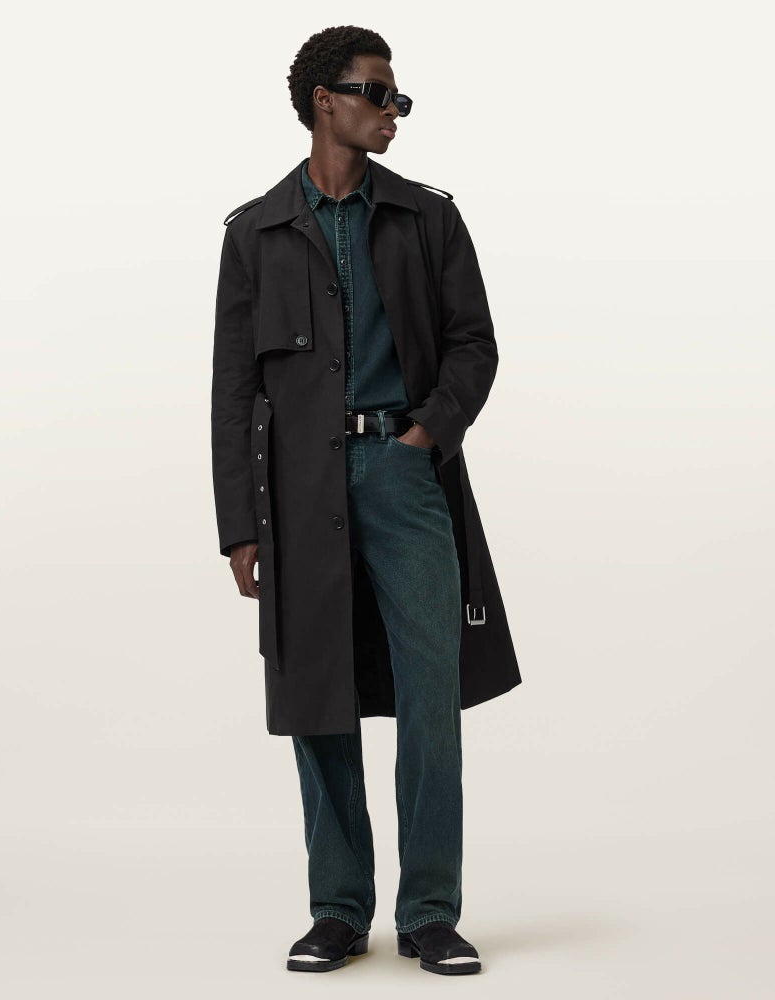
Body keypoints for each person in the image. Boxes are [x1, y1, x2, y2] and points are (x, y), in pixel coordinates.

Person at [212, 24, 521, 976]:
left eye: (397, 96)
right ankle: (339, 910)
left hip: (402, 473)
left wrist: (426, 435)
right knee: (318, 696)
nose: (394, 111)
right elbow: (232, 388)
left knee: (431, 693)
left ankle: (429, 911)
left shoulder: (427, 219)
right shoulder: (256, 232)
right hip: (297, 489)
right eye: (377, 93)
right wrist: (238, 526)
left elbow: (474, 344)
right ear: (324, 102)